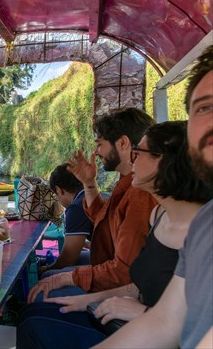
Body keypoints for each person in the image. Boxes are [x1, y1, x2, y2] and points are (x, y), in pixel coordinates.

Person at [17, 121, 213, 348]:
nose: (132, 159)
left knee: (35, 324)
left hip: (141, 324)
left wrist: (143, 312)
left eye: (138, 153)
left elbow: (167, 318)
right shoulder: (158, 214)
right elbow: (107, 226)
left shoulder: (197, 230)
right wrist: (87, 300)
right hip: (128, 310)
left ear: (166, 161)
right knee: (33, 315)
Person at [95, 46, 213, 349]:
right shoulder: (205, 226)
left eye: (139, 153)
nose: (133, 161)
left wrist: (73, 281)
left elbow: (123, 269)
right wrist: (88, 184)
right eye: (203, 108)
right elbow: (166, 321)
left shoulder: (147, 201)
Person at [28, 108, 157, 302]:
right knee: (50, 278)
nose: (96, 152)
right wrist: (89, 183)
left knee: (42, 292)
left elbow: (123, 272)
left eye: (100, 144)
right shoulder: (126, 182)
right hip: (110, 267)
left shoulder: (140, 193)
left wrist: (69, 277)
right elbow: (104, 219)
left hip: (123, 291)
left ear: (123, 143)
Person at [39, 164, 93, 275]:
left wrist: (46, 269)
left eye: (56, 195)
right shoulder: (96, 195)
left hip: (118, 266)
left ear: (59, 190)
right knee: (79, 256)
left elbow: (68, 259)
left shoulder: (76, 208)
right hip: (128, 257)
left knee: (47, 276)